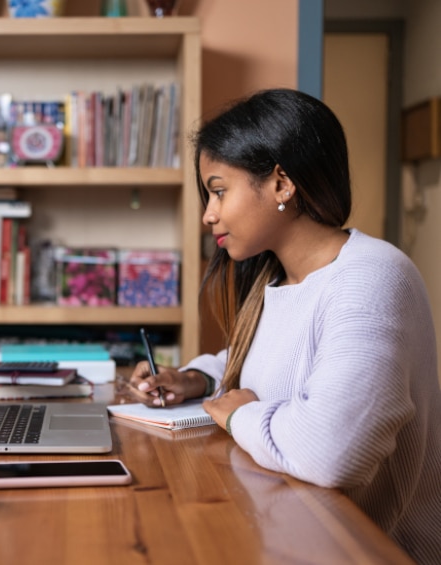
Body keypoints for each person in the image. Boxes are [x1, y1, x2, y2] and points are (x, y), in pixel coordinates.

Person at [126, 88, 441, 564]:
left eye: (218, 190)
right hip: (294, 532)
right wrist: (197, 378)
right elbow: (272, 363)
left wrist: (241, 415)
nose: (209, 214)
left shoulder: (370, 278)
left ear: (281, 184)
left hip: (368, 551)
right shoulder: (279, 277)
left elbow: (333, 452)